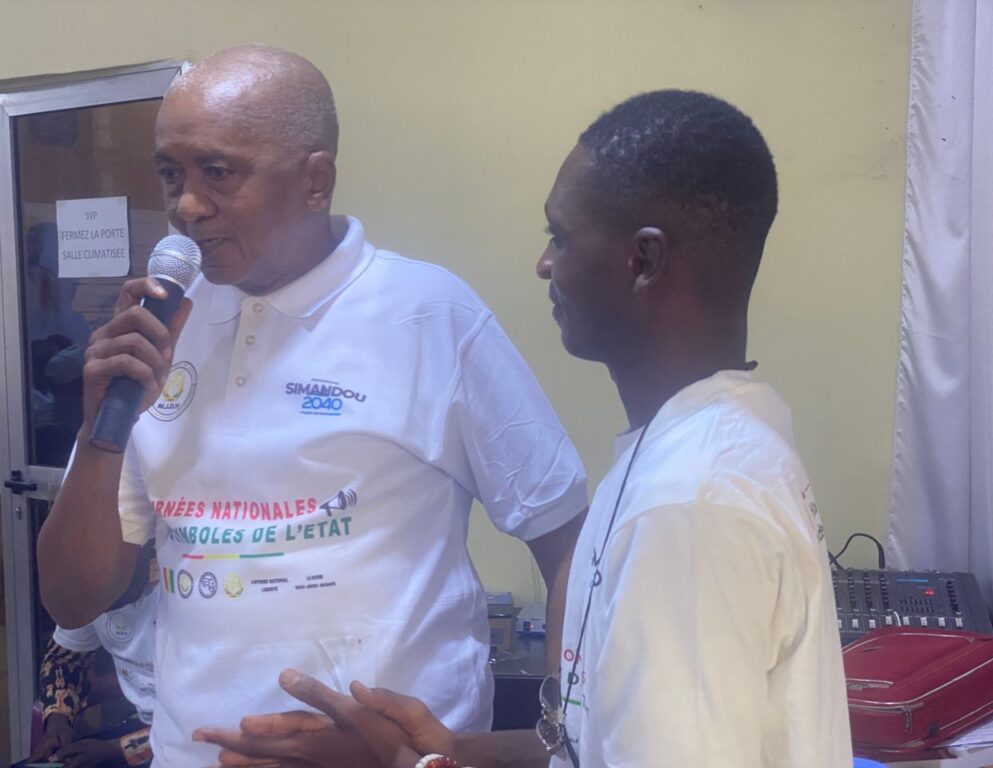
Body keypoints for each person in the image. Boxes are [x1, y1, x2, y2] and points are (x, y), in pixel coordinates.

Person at [197, 90, 852, 767]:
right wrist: (455, 751)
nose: (544, 263)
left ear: (643, 261)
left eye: (560, 237)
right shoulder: (711, 442)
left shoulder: (688, 503)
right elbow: (602, 746)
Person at [36, 45, 588, 767]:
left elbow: (566, 542)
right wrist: (99, 433)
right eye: (171, 174)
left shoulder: (431, 316)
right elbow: (74, 600)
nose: (187, 205)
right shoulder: (161, 329)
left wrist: (562, 738)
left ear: (315, 181)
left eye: (218, 172)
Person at [29, 543, 158, 768]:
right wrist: (58, 721)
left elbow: (210, 720)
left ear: (145, 556)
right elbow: (64, 659)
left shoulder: (186, 600)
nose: (96, 605)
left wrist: (118, 749)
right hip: (139, 725)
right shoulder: (90, 589)